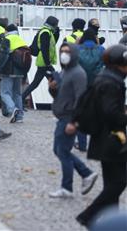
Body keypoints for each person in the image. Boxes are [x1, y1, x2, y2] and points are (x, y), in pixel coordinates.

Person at [74, 44, 127, 227]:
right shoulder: (112, 82)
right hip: (111, 138)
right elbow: (111, 113)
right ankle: (88, 216)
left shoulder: (106, 77)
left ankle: (113, 223)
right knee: (119, 183)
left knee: (112, 183)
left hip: (105, 137)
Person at [47, 43, 97, 199]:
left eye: (67, 51)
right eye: (62, 51)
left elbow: (80, 100)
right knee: (59, 150)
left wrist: (74, 122)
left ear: (74, 54)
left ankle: (67, 187)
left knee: (62, 151)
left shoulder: (78, 73)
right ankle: (86, 173)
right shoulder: (65, 71)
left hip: (69, 117)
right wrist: (53, 88)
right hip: (62, 116)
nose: (63, 54)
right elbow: (61, 95)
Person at [75, 29, 105, 152]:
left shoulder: (77, 49)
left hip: (80, 85)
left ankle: (82, 144)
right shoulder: (101, 49)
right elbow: (104, 65)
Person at [23, 16, 60, 103]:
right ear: (53, 24)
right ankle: (61, 101)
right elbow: (44, 48)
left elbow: (53, 43)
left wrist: (57, 33)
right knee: (57, 81)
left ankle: (21, 99)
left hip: (44, 62)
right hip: (44, 63)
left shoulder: (48, 31)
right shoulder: (45, 32)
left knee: (35, 83)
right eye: (56, 25)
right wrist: (47, 62)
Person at [0, 24, 28, 124]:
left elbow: (4, 56)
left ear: (7, 31)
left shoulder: (7, 39)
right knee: (17, 93)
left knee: (4, 93)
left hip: (8, 70)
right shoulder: (20, 40)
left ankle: (12, 109)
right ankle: (19, 116)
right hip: (20, 71)